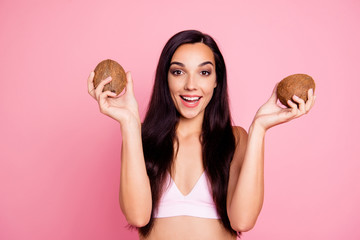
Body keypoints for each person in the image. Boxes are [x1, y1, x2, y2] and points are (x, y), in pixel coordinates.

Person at [87, 30, 315, 240]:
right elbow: (137, 216)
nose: (191, 85)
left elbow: (243, 221)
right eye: (178, 72)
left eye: (204, 72)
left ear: (216, 80)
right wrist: (128, 123)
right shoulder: (141, 138)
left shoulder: (235, 140)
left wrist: (259, 128)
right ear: (166, 79)